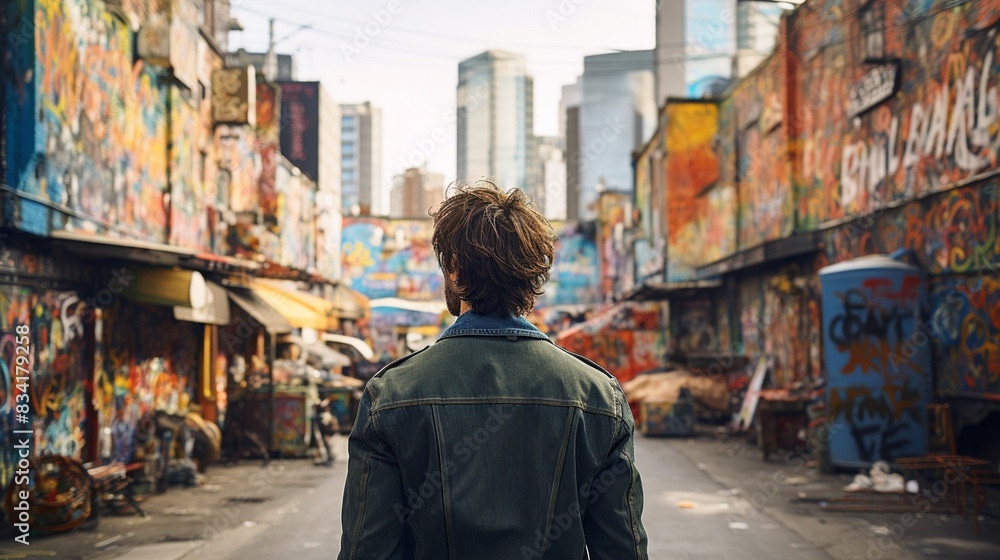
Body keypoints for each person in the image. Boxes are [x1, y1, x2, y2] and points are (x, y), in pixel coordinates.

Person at [339, 181, 647, 559]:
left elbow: (367, 550)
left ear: (453, 268)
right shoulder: (599, 396)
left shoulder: (390, 396)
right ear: (532, 280)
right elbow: (622, 550)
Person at [313, 397, 339, 466]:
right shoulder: (322, 416)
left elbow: (334, 426)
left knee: (328, 447)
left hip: (327, 435)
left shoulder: (327, 416)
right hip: (324, 434)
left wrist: (329, 434)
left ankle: (329, 459)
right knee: (325, 447)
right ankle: (327, 459)